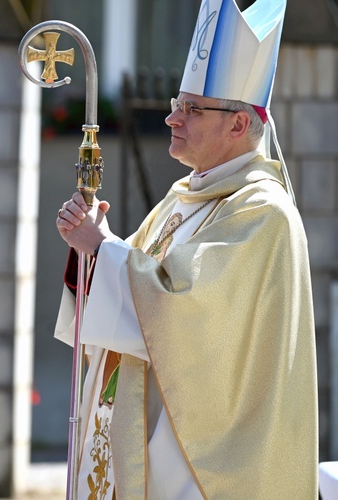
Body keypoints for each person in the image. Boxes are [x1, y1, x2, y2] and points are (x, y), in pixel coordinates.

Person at [54, 0, 318, 498]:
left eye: (192, 108)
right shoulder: (185, 196)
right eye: (177, 103)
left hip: (200, 466)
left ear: (239, 125)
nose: (172, 118)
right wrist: (87, 252)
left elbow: (186, 313)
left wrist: (103, 248)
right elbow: (125, 285)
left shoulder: (262, 212)